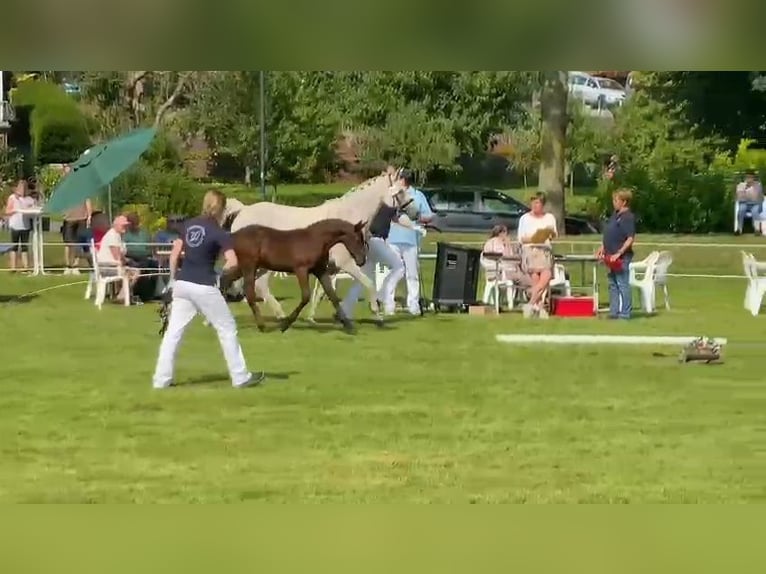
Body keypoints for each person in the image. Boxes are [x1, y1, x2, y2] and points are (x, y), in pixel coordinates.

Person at [152, 189, 262, 390]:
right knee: (227, 328)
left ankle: (161, 380)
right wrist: (220, 276)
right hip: (204, 285)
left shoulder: (188, 225)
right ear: (221, 208)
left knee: (173, 332)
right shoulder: (219, 232)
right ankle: (240, 376)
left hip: (182, 283)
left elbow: (174, 255)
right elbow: (232, 261)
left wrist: (173, 279)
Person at [339, 182, 404, 320]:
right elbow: (397, 218)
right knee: (399, 267)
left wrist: (414, 228)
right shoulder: (389, 203)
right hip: (376, 241)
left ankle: (345, 309)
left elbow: (396, 219)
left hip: (369, 242)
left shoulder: (377, 202)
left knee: (363, 279)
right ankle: (382, 297)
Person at [383, 169, 433, 316]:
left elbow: (428, 216)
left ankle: (413, 305)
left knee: (412, 273)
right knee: (394, 271)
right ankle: (389, 303)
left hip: (410, 240)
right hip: (392, 238)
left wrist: (417, 218)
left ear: (403, 179)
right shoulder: (392, 193)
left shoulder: (417, 195)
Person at [596, 188, 636, 320]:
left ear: (624, 202)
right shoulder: (615, 215)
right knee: (612, 283)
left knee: (622, 283)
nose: (614, 203)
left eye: (616, 200)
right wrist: (602, 247)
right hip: (609, 255)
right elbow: (609, 233)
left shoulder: (628, 217)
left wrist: (619, 253)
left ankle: (625, 313)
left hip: (621, 257)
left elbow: (630, 238)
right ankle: (614, 311)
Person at [517, 192, 558, 319]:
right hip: (531, 250)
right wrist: (535, 239)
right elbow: (521, 238)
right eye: (533, 203)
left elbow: (553, 234)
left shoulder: (549, 217)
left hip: (545, 251)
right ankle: (539, 308)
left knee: (546, 277)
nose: (535, 206)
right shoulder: (525, 218)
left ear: (542, 204)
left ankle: (530, 303)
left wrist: (547, 235)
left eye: (538, 203)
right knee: (536, 280)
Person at [96, 214, 140, 299]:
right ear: (116, 225)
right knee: (135, 272)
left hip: (111, 266)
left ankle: (123, 294)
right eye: (123, 225)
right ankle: (122, 296)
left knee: (132, 267)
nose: (125, 227)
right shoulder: (113, 236)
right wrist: (127, 261)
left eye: (126, 225)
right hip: (108, 267)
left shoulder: (117, 235)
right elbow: (117, 257)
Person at [60, 164, 92, 275]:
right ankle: (68, 265)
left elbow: (87, 200)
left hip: (81, 217)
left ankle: (75, 266)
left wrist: (89, 215)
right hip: (69, 218)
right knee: (68, 243)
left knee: (78, 243)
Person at [481, 224, 532, 292]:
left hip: (492, 271)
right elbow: (508, 257)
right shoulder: (499, 242)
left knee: (524, 276)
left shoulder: (489, 242)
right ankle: (533, 294)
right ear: (501, 233)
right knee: (527, 278)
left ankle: (531, 293)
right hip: (503, 271)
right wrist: (508, 245)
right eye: (506, 233)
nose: (507, 235)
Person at [4, 179, 36, 273]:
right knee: (14, 246)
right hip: (15, 225)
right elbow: (7, 211)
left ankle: (25, 267)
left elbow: (34, 209)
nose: (22, 190)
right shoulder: (12, 198)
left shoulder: (29, 199)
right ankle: (13, 267)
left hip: (25, 226)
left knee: (24, 246)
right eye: (20, 188)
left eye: (24, 188)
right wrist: (15, 210)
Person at [735, 170, 763, 235]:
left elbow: (756, 197)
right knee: (741, 210)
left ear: (753, 178)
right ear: (745, 178)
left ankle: (757, 229)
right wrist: (747, 190)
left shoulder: (757, 185)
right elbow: (740, 197)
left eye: (751, 177)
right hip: (744, 203)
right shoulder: (741, 185)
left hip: (755, 204)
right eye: (747, 177)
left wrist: (746, 193)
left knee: (755, 212)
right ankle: (739, 229)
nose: (749, 179)